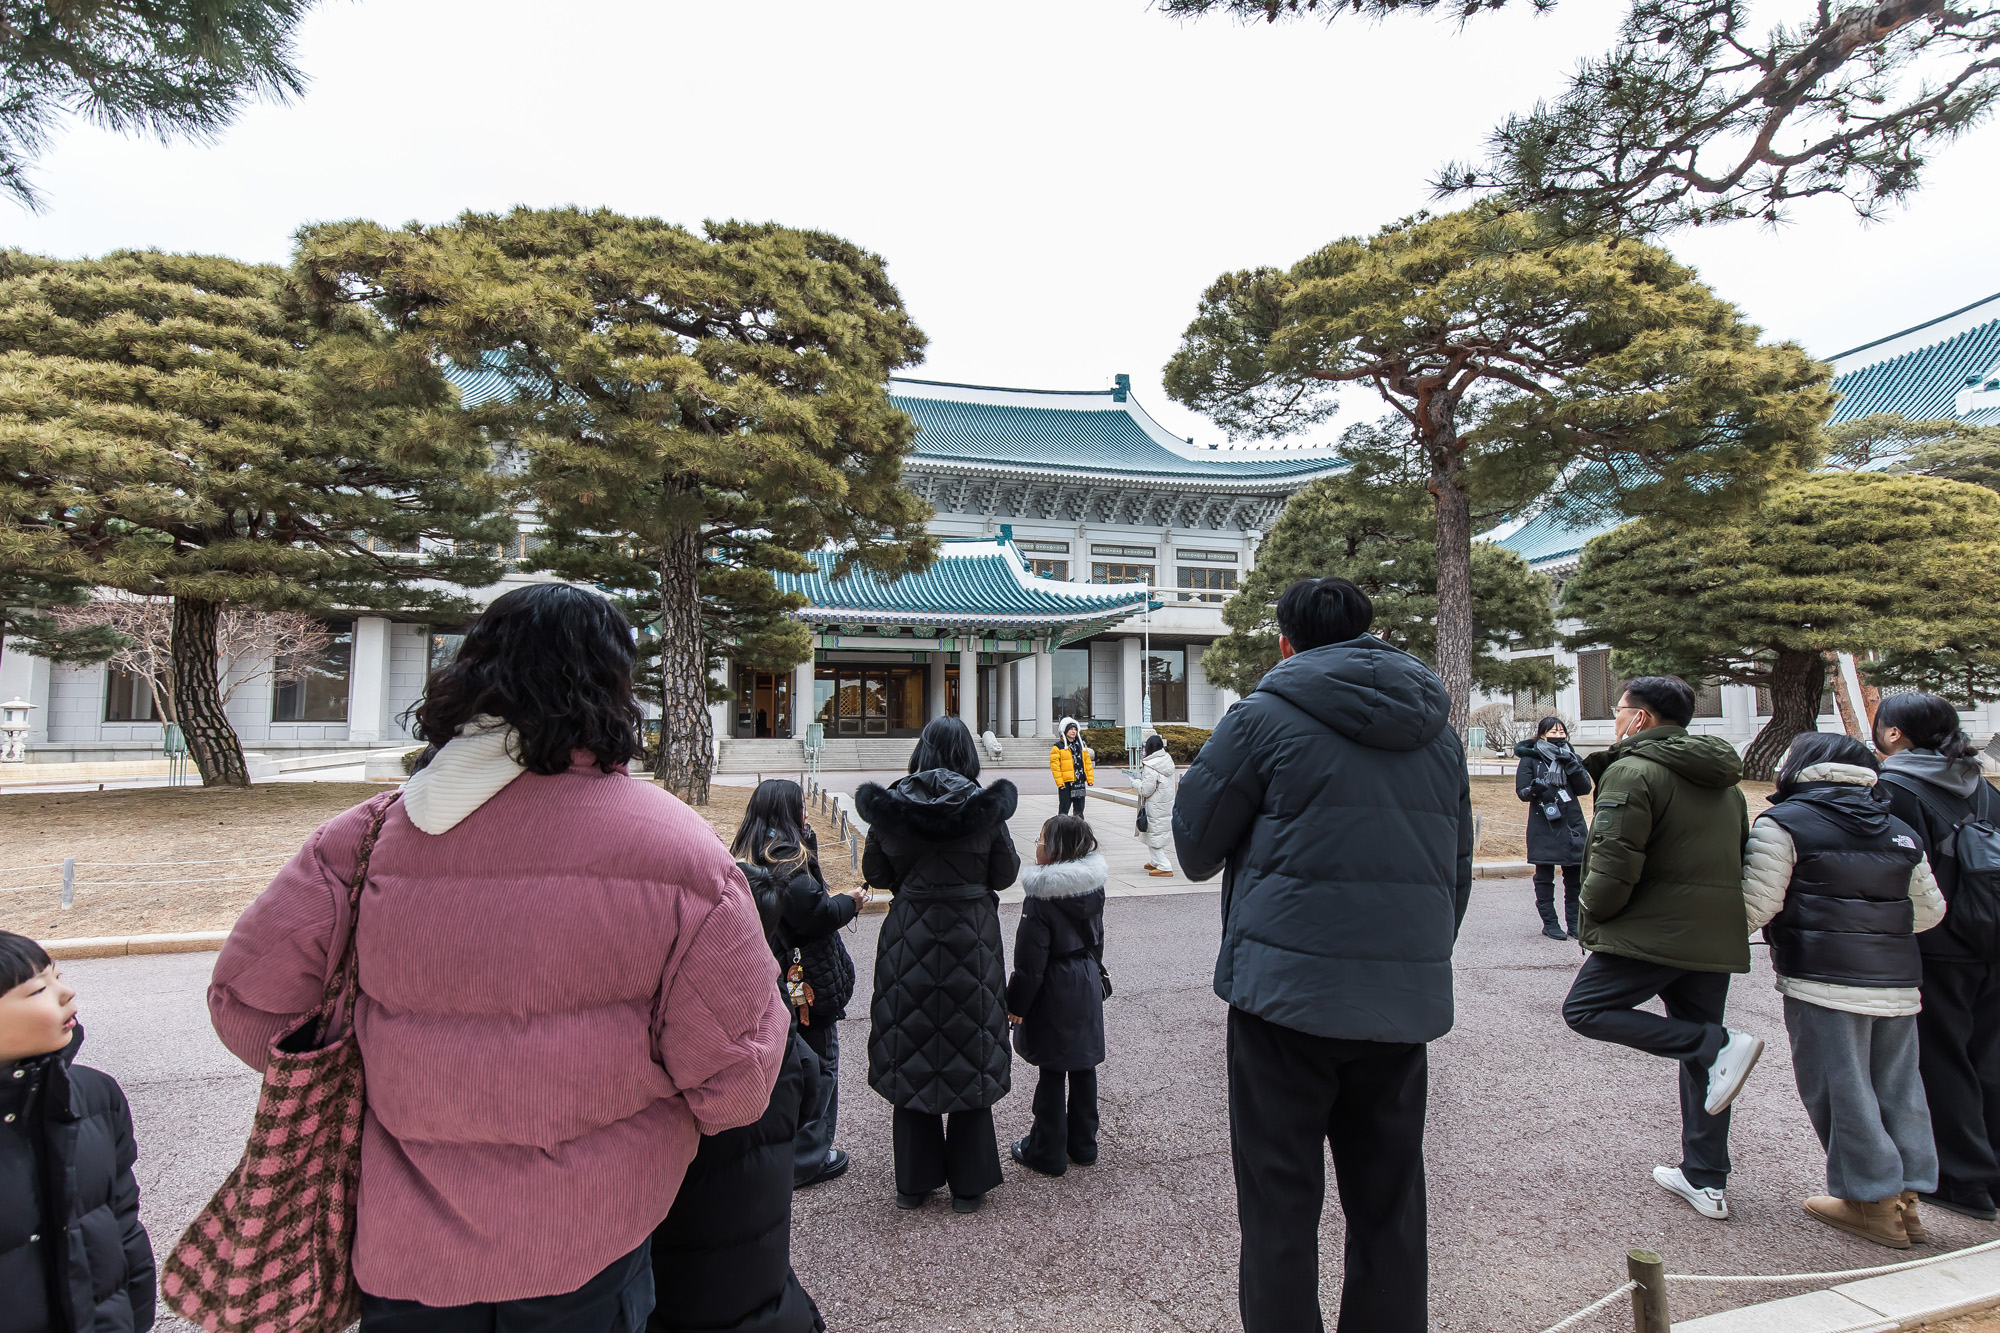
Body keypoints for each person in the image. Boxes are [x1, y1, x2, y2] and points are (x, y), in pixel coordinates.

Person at [209, 583, 790, 1330]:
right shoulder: (678, 849)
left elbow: (248, 1010)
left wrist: (393, 1063)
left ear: (473, 672)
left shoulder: (366, 837)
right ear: (615, 687)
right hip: (587, 1230)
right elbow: (735, 1084)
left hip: (405, 1239)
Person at [1172, 576, 1473, 1333]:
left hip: (1284, 997)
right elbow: (1456, 870)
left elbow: (1193, 846)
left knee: (1280, 1207)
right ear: (1370, 631)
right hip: (1400, 1004)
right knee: (1391, 1206)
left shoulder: (1262, 717)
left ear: (1285, 641)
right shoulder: (1438, 729)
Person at [1561, 675, 1760, 1223]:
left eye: (1620, 710)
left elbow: (1613, 857)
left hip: (1648, 930)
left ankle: (1714, 1044)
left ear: (1641, 718)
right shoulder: (1726, 782)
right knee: (1708, 1062)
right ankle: (1706, 1178)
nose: (1617, 719)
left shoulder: (1632, 770)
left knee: (1586, 1011)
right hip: (1710, 931)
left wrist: (1593, 913)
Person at [1743, 732, 1946, 1248]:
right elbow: (1929, 912)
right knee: (1900, 1089)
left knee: (1842, 1089)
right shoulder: (1898, 827)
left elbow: (1753, 907)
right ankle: (1906, 1203)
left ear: (1803, 766)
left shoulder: (1784, 822)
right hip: (1898, 982)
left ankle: (1871, 1202)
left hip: (1822, 979)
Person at [649, 843, 825, 1333]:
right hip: (760, 1250)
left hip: (677, 1264)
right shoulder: (773, 1016)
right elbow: (812, 1091)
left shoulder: (657, 1014)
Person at [860, 716, 1020, 1214]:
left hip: (910, 931)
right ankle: (969, 1185)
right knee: (970, 1043)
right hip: (972, 935)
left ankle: (913, 1181)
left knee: (909, 1043)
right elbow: (1005, 872)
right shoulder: (983, 805)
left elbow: (875, 871)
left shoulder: (891, 804)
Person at [1875, 692, 2000, 1221]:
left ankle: (1963, 1180)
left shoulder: (1897, 788)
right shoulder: (1985, 788)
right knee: (1988, 1056)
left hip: (1939, 941)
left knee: (1941, 1058)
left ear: (1894, 733)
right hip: (1990, 934)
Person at [0, 933, 154, 1333]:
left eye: (58, 976)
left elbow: (123, 1227)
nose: (66, 993)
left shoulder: (95, 1097)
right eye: (37, 990)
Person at [730, 779, 867, 1190]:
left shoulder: (755, 850)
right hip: (805, 976)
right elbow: (819, 910)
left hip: (781, 971)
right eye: (801, 806)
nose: (807, 811)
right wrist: (853, 902)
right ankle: (810, 1156)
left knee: (797, 1051)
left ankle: (792, 1147)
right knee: (822, 1056)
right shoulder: (787, 862)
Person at [1006, 814, 1109, 1178]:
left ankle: (1046, 1149)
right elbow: (1097, 939)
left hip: (1053, 983)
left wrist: (1016, 1004)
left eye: (1040, 838)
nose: (1036, 843)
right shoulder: (1092, 886)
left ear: (1055, 849)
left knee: (1052, 1069)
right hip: (1085, 977)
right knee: (1083, 1065)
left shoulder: (1041, 896)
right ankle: (1084, 1145)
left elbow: (1030, 962)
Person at [1515, 716, 1593, 940]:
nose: (1558, 736)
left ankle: (1575, 923)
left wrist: (1572, 765)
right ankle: (1550, 923)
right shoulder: (1530, 759)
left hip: (1572, 822)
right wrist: (1535, 789)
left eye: (1561, 733)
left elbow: (1584, 788)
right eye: (1553, 732)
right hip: (1545, 822)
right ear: (1541, 734)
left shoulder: (1571, 756)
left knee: (1575, 877)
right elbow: (1522, 792)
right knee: (1544, 875)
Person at [1132, 734, 1179, 878]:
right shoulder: (1166, 761)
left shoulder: (1151, 766)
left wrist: (1135, 782)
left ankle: (1164, 865)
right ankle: (1155, 861)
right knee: (1155, 833)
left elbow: (1146, 790)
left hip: (1154, 806)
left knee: (1154, 835)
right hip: (1165, 805)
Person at [1049, 717, 1095, 816]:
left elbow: (1087, 763)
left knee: (1079, 811)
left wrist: (1090, 779)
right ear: (1065, 731)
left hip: (1079, 782)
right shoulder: (1058, 747)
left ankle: (1079, 830)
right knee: (1063, 810)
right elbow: (1055, 767)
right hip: (1066, 784)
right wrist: (1060, 783)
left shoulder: (1082, 746)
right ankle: (1061, 830)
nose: (1073, 732)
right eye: (1071, 729)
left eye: (1075, 729)